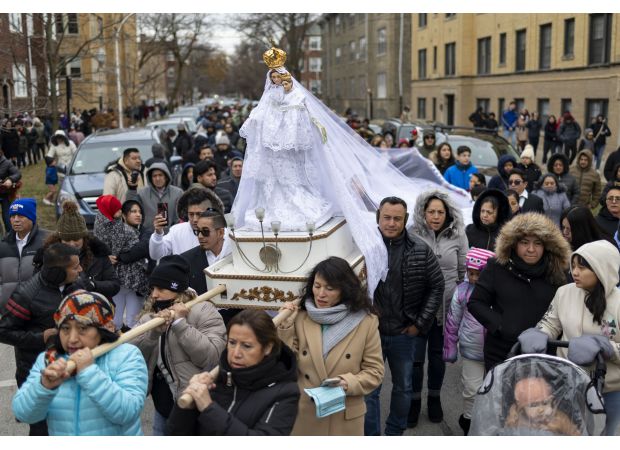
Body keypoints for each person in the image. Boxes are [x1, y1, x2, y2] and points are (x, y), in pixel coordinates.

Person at [11, 291, 148, 435]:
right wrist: (43, 387)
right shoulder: (49, 359)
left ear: (104, 329)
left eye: (83, 328)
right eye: (65, 328)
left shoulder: (127, 355)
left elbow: (128, 413)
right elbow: (23, 414)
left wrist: (89, 373)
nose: (72, 339)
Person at [519, 240, 620, 435]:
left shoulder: (617, 303)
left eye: (582, 267)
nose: (574, 272)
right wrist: (540, 333)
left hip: (611, 390)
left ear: (602, 269)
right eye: (573, 266)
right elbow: (550, 323)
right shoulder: (564, 293)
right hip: (568, 382)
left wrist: (606, 348)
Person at [276, 256, 384, 435]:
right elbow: (284, 366)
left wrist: (347, 383)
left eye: (330, 288)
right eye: (317, 286)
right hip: (306, 414)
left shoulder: (366, 321)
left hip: (345, 415)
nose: (320, 294)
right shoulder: (300, 317)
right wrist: (285, 328)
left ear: (345, 290)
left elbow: (375, 371)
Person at [364, 196, 444, 436]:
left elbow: (437, 286)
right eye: (386, 217)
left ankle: (394, 434)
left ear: (406, 219)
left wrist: (419, 324)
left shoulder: (420, 249)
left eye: (397, 218)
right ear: (378, 217)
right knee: (370, 390)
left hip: (404, 333)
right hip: (371, 334)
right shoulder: (365, 247)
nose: (391, 223)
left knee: (403, 387)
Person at [131, 255, 227, 435]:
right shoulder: (149, 317)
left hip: (195, 404)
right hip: (162, 407)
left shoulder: (203, 310)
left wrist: (180, 325)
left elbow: (211, 357)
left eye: (161, 288)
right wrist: (152, 334)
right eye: (152, 288)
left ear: (177, 289)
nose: (154, 295)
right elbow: (131, 357)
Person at [167, 309, 300, 436]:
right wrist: (186, 407)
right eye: (232, 342)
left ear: (267, 348)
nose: (236, 354)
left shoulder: (285, 392)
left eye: (246, 346)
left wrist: (209, 409)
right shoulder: (214, 374)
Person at [468, 213, 571, 371]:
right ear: (514, 243)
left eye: (537, 243)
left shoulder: (557, 273)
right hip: (501, 352)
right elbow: (476, 302)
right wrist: (501, 325)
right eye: (524, 242)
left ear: (547, 246)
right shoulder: (497, 266)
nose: (531, 249)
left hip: (543, 355)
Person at [0, 243, 82, 435]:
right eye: (75, 267)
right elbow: (3, 331)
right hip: (35, 375)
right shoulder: (26, 294)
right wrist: (40, 338)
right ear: (57, 273)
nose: (80, 270)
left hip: (69, 371)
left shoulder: (77, 284)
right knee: (41, 431)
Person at [409, 189, 468, 426]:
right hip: (417, 309)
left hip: (445, 310)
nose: (435, 216)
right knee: (414, 360)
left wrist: (458, 302)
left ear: (448, 213)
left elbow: (463, 272)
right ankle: (413, 401)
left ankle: (434, 398)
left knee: (437, 358)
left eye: (440, 212)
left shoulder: (458, 235)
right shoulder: (412, 233)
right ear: (423, 213)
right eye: (431, 211)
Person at [443, 247, 496, 435]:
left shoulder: (499, 293)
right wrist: (450, 349)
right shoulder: (462, 292)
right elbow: (452, 321)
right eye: (470, 273)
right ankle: (469, 421)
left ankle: (488, 424)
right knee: (471, 389)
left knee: (493, 391)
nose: (474, 278)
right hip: (471, 350)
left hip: (495, 351)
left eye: (478, 274)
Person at [36, 201, 121, 298]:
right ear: (59, 239)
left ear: (84, 238)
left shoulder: (98, 253)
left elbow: (114, 285)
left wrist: (93, 285)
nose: (72, 244)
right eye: (67, 240)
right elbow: (36, 285)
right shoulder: (47, 256)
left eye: (76, 239)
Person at [93, 195, 148, 330]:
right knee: (124, 320)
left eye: (139, 212)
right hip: (125, 281)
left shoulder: (102, 227)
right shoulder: (121, 229)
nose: (119, 211)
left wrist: (112, 258)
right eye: (117, 209)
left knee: (126, 320)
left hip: (126, 282)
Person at [149, 187, 225, 261]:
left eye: (199, 214)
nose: (195, 219)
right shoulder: (176, 231)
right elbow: (156, 255)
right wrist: (158, 234)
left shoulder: (220, 231)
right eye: (191, 214)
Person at [0, 199, 48, 304]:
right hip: (7, 310)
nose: (16, 220)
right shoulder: (3, 245)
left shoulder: (47, 241)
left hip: (37, 308)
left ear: (32, 218)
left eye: (21, 216)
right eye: (13, 216)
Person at [503, 376, 580, 435]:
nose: (541, 409)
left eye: (545, 403)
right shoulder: (516, 419)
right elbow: (507, 432)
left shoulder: (559, 419)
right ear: (522, 408)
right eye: (533, 405)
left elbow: (575, 433)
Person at [179, 210, 227, 297]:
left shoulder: (236, 254)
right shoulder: (186, 259)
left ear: (220, 232)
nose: (200, 236)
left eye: (205, 231)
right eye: (197, 231)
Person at [126, 162, 183, 231]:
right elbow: (130, 207)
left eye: (160, 175)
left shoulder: (178, 193)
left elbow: (181, 217)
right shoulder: (142, 193)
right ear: (150, 178)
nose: (157, 178)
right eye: (154, 176)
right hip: (148, 237)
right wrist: (132, 188)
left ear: (166, 176)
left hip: (171, 236)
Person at [0, 146, 22, 232]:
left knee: (7, 218)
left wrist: (10, 179)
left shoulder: (6, 162)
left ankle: (10, 237)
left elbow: (18, 173)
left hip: (5, 194)